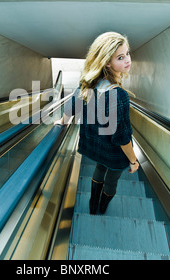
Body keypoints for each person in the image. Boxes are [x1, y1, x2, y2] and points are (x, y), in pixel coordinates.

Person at [54, 32, 139, 214]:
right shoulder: (119, 95)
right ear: (107, 62)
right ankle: (101, 207)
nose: (127, 60)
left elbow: (71, 107)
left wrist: (62, 121)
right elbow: (122, 137)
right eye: (120, 57)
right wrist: (133, 160)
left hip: (98, 148)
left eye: (127, 54)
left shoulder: (88, 84)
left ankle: (93, 205)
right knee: (112, 179)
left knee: (100, 168)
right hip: (115, 153)